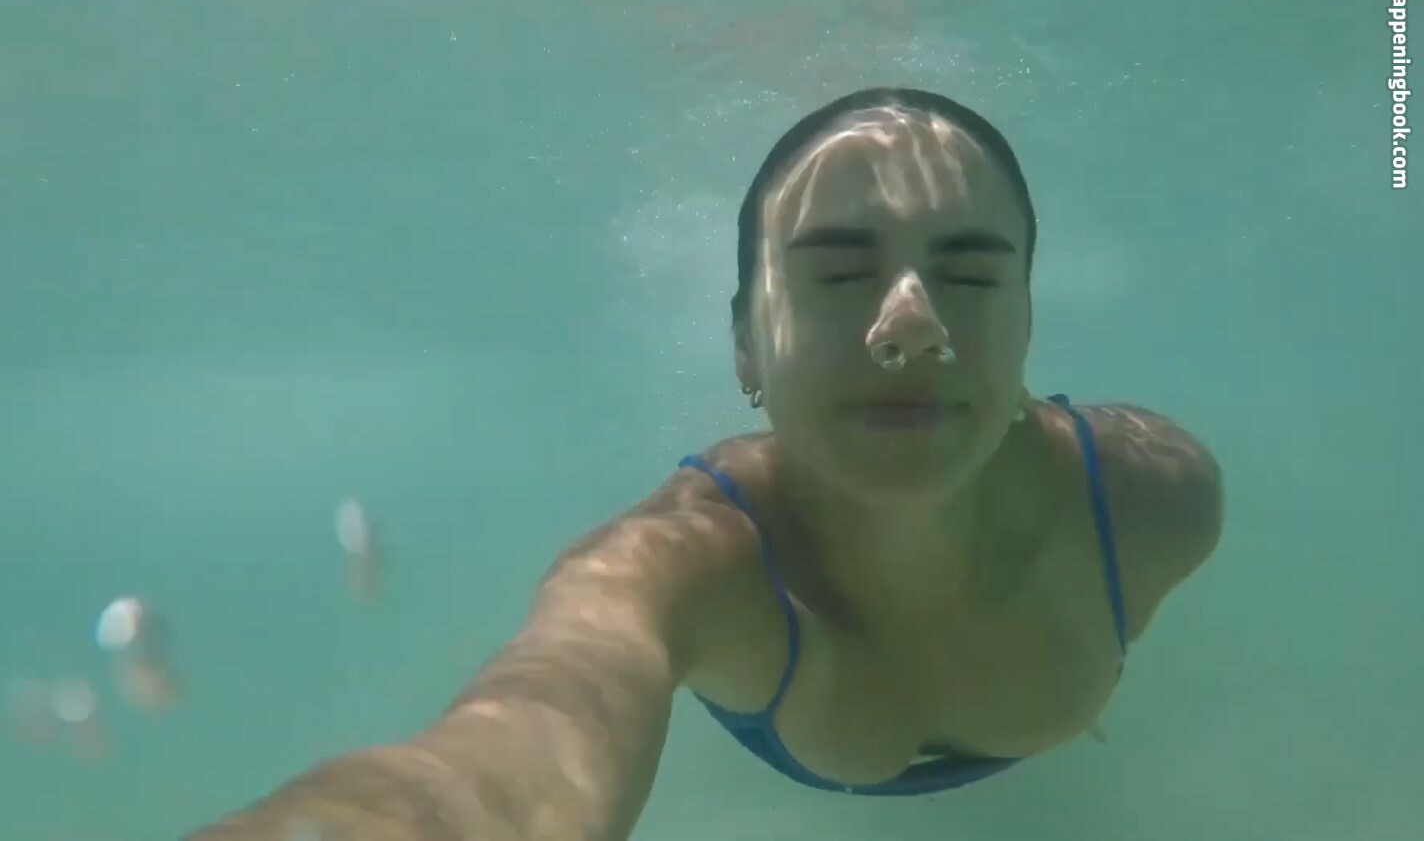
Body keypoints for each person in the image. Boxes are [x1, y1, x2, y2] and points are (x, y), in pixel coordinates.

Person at [187, 87, 1224, 841]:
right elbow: (510, 761)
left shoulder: (1155, 497)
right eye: (837, 274)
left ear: (1029, 324)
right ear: (745, 349)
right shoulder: (686, 562)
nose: (912, 327)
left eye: (972, 276)